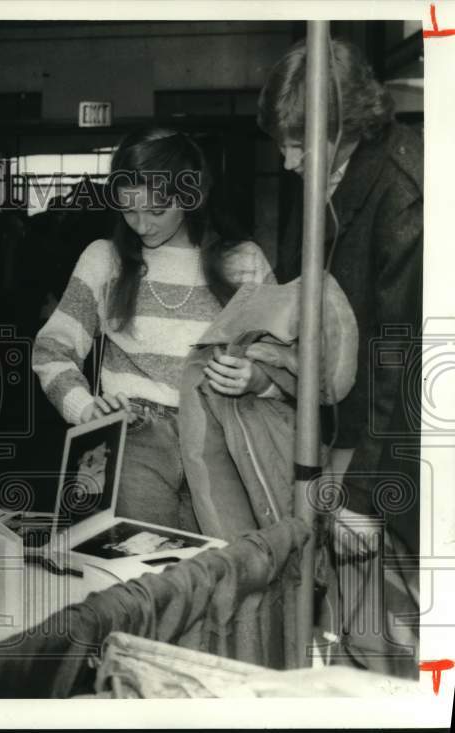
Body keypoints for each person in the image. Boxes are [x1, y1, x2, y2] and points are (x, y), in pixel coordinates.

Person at [258, 38, 422, 676]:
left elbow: (404, 366)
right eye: (283, 143)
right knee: (350, 624)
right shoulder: (341, 176)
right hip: (354, 438)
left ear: (348, 126)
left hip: (391, 450)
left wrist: (360, 492)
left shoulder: (406, 194)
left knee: (379, 636)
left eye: (300, 143)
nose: (289, 161)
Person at [33, 127, 278, 533]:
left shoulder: (244, 262)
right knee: (137, 579)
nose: (142, 225)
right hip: (133, 436)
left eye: (156, 210)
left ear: (189, 197)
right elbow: (51, 348)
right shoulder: (104, 260)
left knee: (220, 577)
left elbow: (288, 362)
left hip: (223, 439)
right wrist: (84, 407)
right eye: (129, 210)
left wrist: (260, 378)